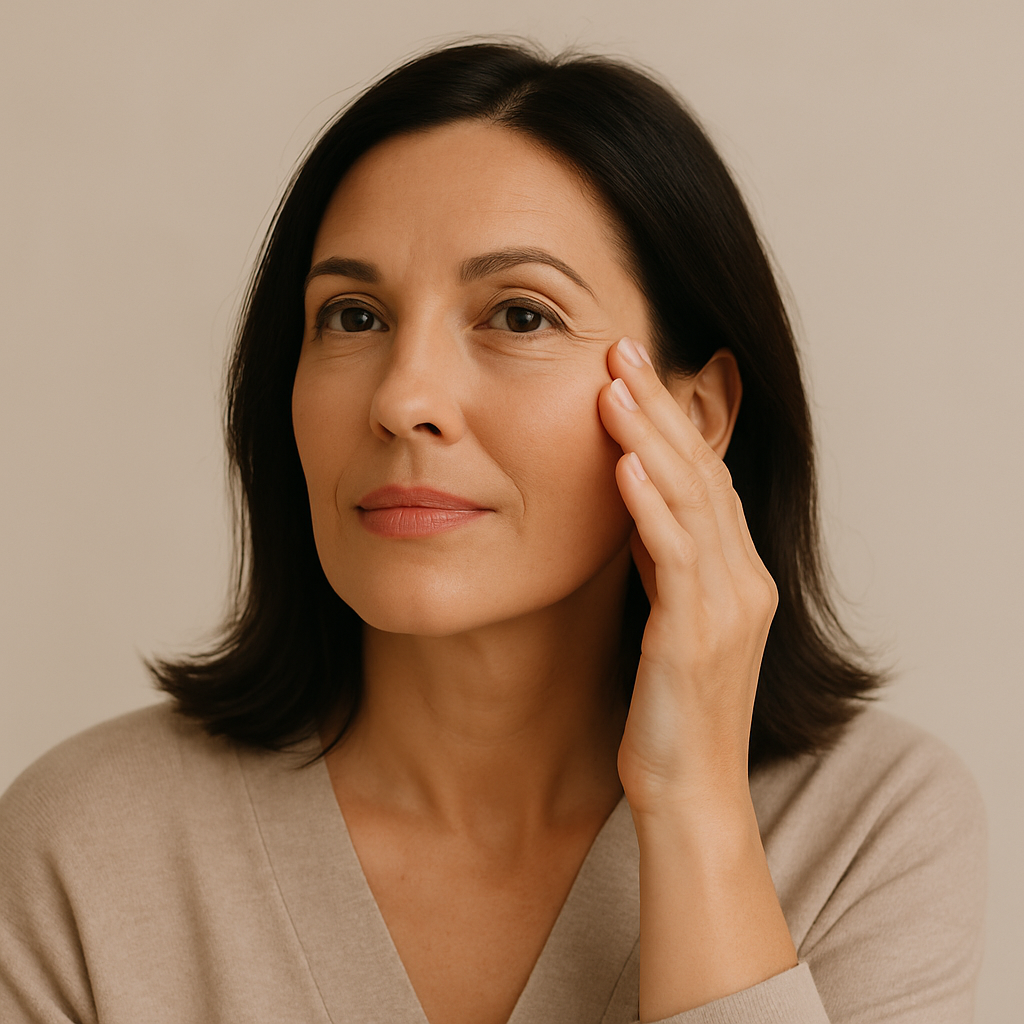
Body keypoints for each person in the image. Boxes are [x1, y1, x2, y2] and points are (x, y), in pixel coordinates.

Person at [0, 38, 986, 1024]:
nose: (404, 398)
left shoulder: (871, 828)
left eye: (518, 314)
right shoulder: (86, 848)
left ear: (692, 415)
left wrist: (696, 813)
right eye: (351, 317)